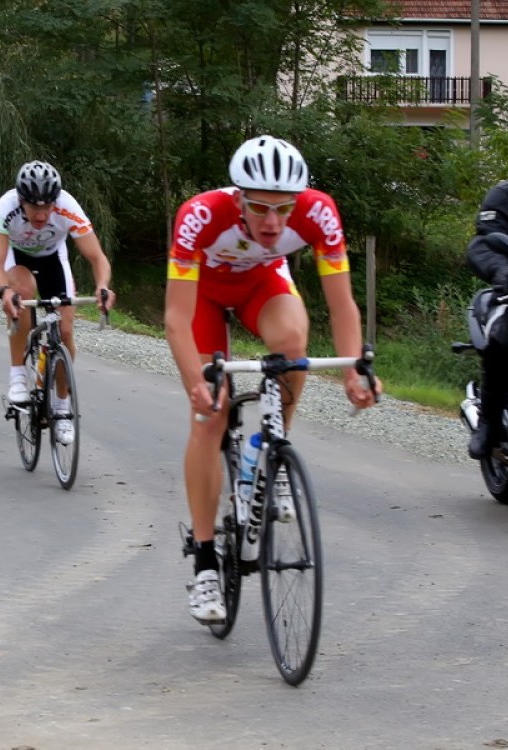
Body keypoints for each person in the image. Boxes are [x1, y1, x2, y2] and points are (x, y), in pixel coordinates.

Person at [164, 135, 381, 625]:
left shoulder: (319, 212)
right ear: (238, 197)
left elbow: (342, 302)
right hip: (203, 295)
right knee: (209, 414)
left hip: (262, 284)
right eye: (259, 208)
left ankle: (269, 447)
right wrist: (193, 379)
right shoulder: (200, 214)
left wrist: (354, 367)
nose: (272, 222)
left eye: (284, 209)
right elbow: (175, 318)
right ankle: (203, 563)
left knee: (293, 346)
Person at [0, 160, 115, 445]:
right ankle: (18, 374)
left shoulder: (68, 206)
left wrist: (103, 285)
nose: (42, 214)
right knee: (20, 290)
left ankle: (62, 407)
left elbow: (97, 257)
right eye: (34, 207)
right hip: (17, 259)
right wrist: (4, 291)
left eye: (47, 207)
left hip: (53, 259)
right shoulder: (5, 207)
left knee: (66, 332)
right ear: (21, 201)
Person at [465, 179, 508, 459]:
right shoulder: (503, 194)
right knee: (504, 333)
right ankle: (489, 424)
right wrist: (504, 273)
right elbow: (482, 244)